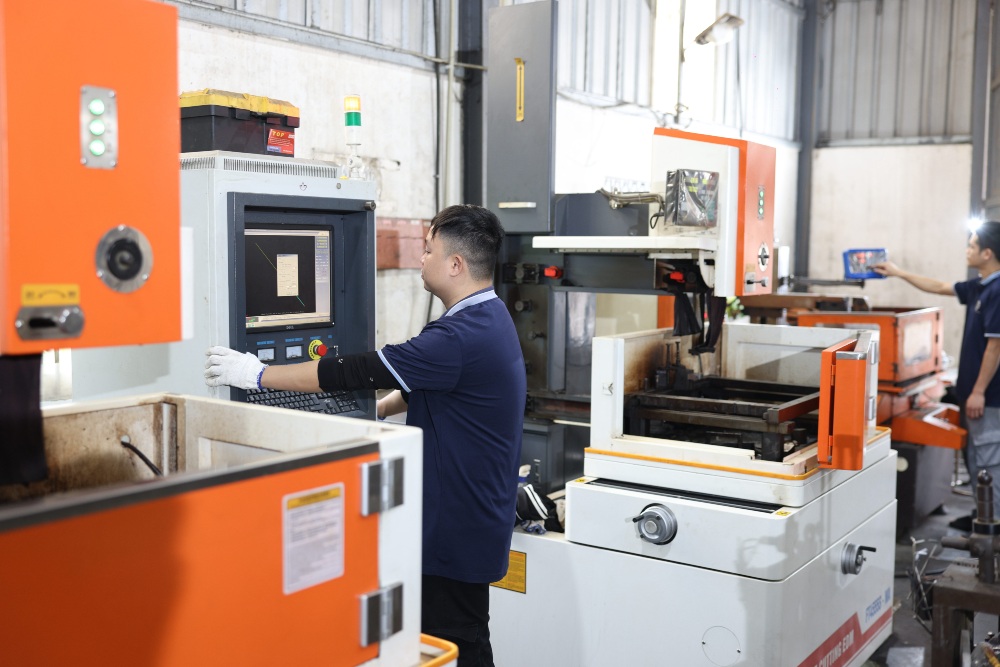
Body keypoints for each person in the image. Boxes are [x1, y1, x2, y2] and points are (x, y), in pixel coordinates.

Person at [205, 204, 526, 666]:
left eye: (429, 250)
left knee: (457, 646)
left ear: (455, 264)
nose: (421, 259)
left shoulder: (458, 336)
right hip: (471, 521)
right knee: (450, 639)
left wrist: (258, 374)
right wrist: (377, 410)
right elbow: (429, 386)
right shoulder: (489, 318)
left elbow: (357, 370)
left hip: (454, 533)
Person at [874, 220, 1000, 516]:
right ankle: (981, 519)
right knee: (975, 458)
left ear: (987, 253)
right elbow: (940, 287)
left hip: (989, 398)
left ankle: (993, 529)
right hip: (973, 393)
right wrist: (899, 272)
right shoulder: (980, 286)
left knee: (989, 462)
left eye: (972, 245)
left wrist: (979, 392)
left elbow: (995, 347)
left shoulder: (997, 291)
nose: (967, 250)